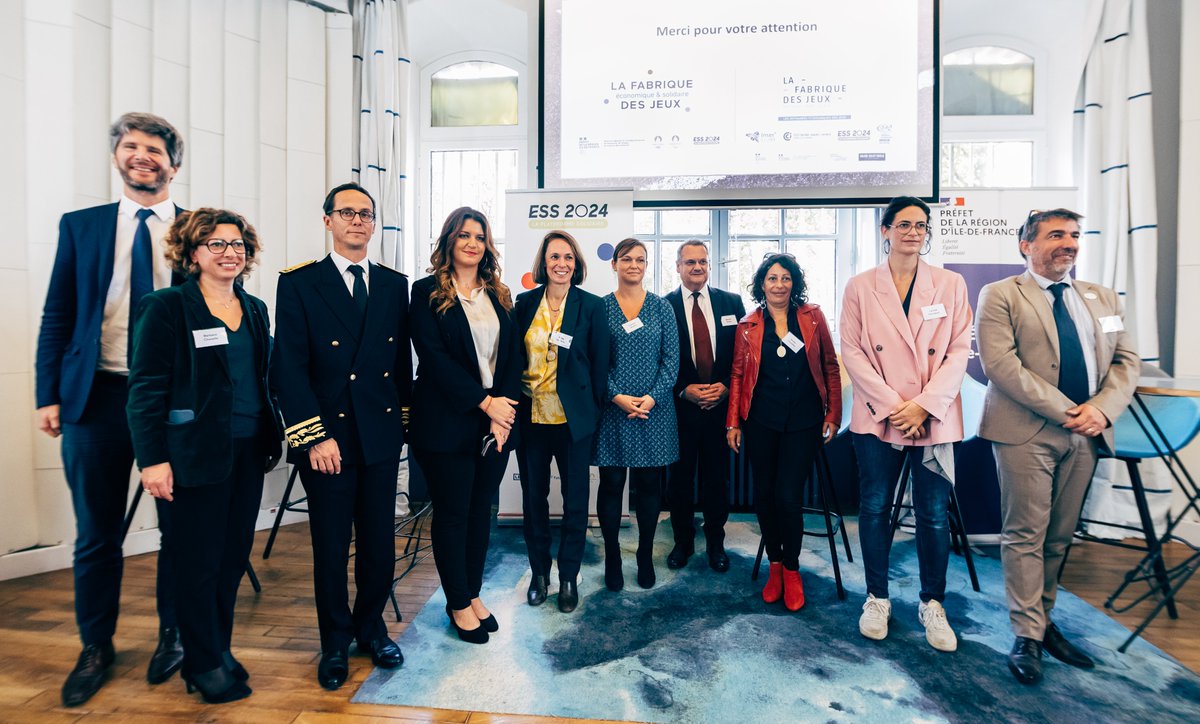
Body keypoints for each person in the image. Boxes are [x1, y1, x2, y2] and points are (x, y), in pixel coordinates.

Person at [35, 112, 186, 706]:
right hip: (95, 396)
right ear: (117, 156)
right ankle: (95, 644)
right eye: (131, 146)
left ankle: (173, 634)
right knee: (96, 533)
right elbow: (57, 314)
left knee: (178, 530)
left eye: (154, 148)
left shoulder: (197, 228)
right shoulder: (83, 226)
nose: (141, 155)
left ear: (175, 162)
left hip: (174, 402)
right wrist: (49, 393)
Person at [977, 208, 1139, 684]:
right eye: (1055, 235)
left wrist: (1102, 409)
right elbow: (1001, 366)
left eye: (1073, 235)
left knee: (1059, 538)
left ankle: (1043, 622)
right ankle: (1026, 633)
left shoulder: (1103, 299)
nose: (1068, 242)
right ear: (1026, 245)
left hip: (1087, 433)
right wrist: (1070, 410)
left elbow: (1127, 361)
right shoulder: (1002, 294)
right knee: (1026, 534)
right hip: (1025, 431)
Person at [126, 209, 282, 703]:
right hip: (190, 456)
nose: (230, 252)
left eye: (237, 244)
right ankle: (201, 662)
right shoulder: (167, 307)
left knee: (233, 558)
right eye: (216, 244)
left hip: (248, 449)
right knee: (197, 563)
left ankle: (217, 648)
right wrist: (152, 460)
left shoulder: (254, 309)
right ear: (192, 253)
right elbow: (145, 390)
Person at [271, 182, 411, 690]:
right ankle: (333, 640)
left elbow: (399, 368)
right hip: (326, 441)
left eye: (366, 214)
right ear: (327, 221)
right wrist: (312, 437)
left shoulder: (396, 286)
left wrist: (402, 430)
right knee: (330, 546)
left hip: (378, 435)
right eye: (347, 212)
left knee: (378, 543)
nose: (358, 221)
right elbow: (288, 370)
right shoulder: (300, 283)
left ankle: (370, 628)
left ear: (374, 224)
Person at [840, 196, 973, 652]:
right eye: (904, 224)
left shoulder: (950, 284)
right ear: (885, 230)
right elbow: (853, 351)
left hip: (933, 417)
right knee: (875, 508)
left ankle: (932, 603)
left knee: (934, 515)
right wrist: (897, 406)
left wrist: (924, 406)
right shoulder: (860, 286)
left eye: (921, 224)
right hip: (880, 416)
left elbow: (958, 350)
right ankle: (877, 597)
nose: (913, 232)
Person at [409, 207, 522, 643]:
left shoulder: (500, 293)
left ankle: (472, 593)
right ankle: (456, 603)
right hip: (445, 423)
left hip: (496, 425)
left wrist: (504, 411)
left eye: (479, 236)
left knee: (480, 514)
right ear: (449, 242)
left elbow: (512, 357)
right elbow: (433, 360)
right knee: (453, 515)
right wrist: (485, 403)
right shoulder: (425, 292)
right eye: (464, 236)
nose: (472, 243)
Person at [726, 253, 840, 611]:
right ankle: (774, 565)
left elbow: (830, 367)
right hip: (760, 421)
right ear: (762, 284)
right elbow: (738, 375)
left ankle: (792, 570)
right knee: (764, 495)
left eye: (786, 278)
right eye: (772, 278)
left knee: (788, 497)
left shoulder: (813, 317)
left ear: (795, 283)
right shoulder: (748, 325)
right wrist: (732, 421)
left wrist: (833, 413)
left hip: (803, 422)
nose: (779, 284)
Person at [514, 231, 610, 613]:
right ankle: (540, 574)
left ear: (577, 263)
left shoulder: (591, 306)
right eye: (555, 256)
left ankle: (568, 576)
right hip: (531, 417)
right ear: (544, 262)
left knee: (575, 503)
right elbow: (512, 358)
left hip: (573, 422)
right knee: (533, 501)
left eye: (568, 257)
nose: (562, 264)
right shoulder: (523, 304)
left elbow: (601, 365)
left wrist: (594, 411)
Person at [593, 237, 679, 592]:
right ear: (614, 265)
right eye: (626, 259)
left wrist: (650, 399)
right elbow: (595, 362)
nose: (633, 265)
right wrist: (617, 397)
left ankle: (645, 554)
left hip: (654, 413)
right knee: (611, 485)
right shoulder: (600, 309)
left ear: (647, 266)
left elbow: (671, 361)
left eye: (640, 260)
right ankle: (613, 557)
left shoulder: (662, 309)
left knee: (648, 487)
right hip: (613, 412)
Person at [665, 241, 746, 572]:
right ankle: (682, 542)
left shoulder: (731, 302)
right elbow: (660, 358)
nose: (697, 267)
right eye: (690, 262)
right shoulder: (663, 305)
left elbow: (743, 354)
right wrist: (684, 390)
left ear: (709, 265)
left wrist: (726, 387)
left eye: (702, 261)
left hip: (720, 410)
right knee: (680, 481)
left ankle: (716, 543)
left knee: (717, 481)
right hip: (681, 410)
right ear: (678, 267)